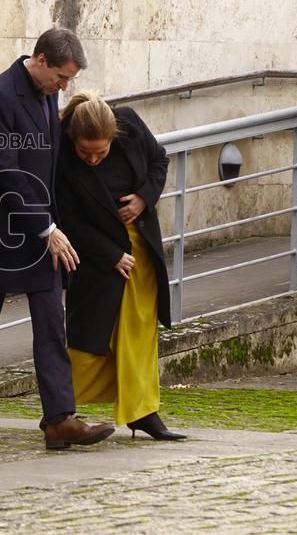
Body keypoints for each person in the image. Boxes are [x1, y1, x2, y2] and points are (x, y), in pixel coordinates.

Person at [0, 28, 116, 450]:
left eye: (68, 80)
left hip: (41, 233)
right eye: (60, 77)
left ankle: (60, 418)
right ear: (40, 60)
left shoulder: (48, 93)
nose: (64, 87)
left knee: (50, 324)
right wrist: (46, 227)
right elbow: (4, 172)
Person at [56, 92, 184, 441]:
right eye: (86, 152)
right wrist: (109, 255)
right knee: (90, 333)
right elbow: (66, 217)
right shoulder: (61, 152)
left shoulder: (127, 122)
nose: (94, 159)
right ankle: (61, 411)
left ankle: (143, 412)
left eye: (101, 152)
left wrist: (144, 197)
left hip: (140, 243)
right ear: (73, 140)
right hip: (93, 252)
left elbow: (159, 161)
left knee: (140, 329)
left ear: (114, 136)